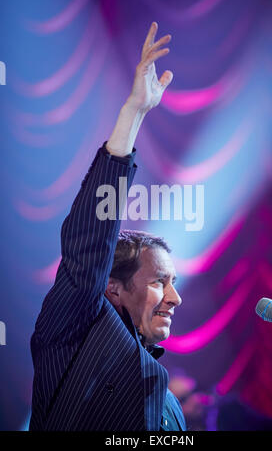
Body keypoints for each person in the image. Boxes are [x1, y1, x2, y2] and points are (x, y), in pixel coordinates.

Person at [29, 22, 186, 431]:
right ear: (113, 287)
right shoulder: (76, 332)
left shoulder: (171, 407)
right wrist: (133, 114)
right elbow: (88, 246)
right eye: (159, 281)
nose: (175, 298)